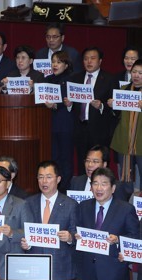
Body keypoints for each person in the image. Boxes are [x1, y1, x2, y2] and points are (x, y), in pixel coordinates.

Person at [75, 167, 139, 280]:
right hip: (89, 274)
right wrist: (76, 237)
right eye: (95, 183)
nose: (99, 188)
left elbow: (136, 238)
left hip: (114, 275)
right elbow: (77, 231)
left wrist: (118, 240)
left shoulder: (125, 209)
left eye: (104, 184)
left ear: (113, 188)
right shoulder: (83, 207)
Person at [22, 161, 77, 280]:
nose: (44, 181)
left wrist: (69, 237)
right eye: (40, 177)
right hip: (34, 267)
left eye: (48, 177)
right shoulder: (28, 203)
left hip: (60, 268)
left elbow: (76, 234)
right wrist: (26, 244)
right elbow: (23, 231)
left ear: (58, 179)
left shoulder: (70, 204)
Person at [69, 47, 116, 175]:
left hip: (99, 130)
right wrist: (69, 105)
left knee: (99, 165)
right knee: (82, 163)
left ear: (100, 61)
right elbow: (73, 107)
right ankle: (83, 190)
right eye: (86, 59)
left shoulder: (109, 79)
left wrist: (101, 106)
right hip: (80, 129)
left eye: (93, 58)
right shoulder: (75, 79)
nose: (89, 61)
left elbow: (115, 108)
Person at [44, 51, 74, 191]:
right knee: (53, 158)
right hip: (49, 125)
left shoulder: (71, 80)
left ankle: (65, 188)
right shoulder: (47, 79)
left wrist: (58, 104)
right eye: (53, 62)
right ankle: (53, 187)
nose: (54, 65)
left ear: (66, 65)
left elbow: (71, 102)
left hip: (65, 125)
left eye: (58, 62)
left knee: (65, 159)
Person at [110, 59, 142, 184]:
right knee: (125, 180)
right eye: (134, 72)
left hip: (140, 141)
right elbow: (116, 116)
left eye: (140, 73)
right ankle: (124, 202)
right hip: (124, 140)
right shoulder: (123, 90)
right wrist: (113, 106)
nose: (136, 75)